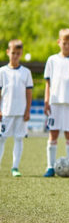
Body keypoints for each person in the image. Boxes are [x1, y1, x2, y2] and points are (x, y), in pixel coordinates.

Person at [43, 28, 69, 178]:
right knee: (53, 133)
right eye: (64, 43)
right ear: (58, 42)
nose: (66, 46)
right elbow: (48, 83)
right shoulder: (52, 60)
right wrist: (46, 100)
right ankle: (50, 167)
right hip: (54, 103)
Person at [0, 39, 33, 177]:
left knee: (18, 139)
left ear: (21, 54)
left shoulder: (26, 72)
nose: (15, 56)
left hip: (20, 112)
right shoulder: (2, 71)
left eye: (18, 53)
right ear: (8, 52)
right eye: (13, 53)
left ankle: (15, 167)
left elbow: (29, 92)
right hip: (6, 112)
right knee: (1, 139)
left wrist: (27, 111)